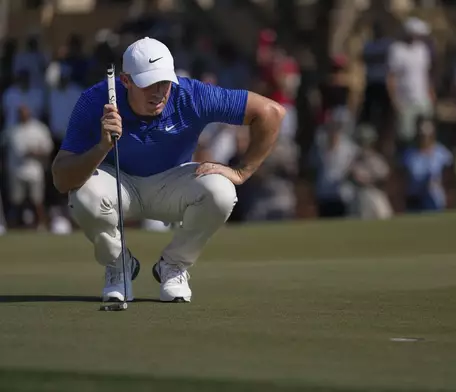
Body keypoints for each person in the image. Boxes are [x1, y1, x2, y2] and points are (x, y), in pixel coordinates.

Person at [51, 37, 285, 303]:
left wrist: (242, 171)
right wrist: (102, 146)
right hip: (117, 183)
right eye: (148, 83)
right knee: (83, 195)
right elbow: (61, 178)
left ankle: (173, 266)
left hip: (172, 183)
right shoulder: (94, 101)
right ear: (126, 81)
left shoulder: (192, 95)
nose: (159, 91)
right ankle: (118, 266)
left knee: (222, 191)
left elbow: (271, 112)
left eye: (164, 82)